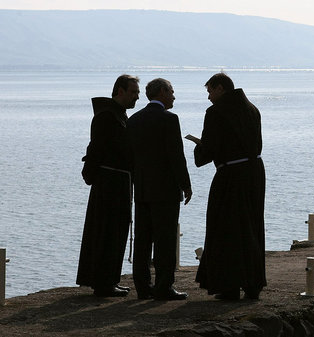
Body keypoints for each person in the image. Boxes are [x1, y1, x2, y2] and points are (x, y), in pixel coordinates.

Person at [190, 73, 266, 300]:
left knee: (225, 227)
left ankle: (229, 285)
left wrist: (198, 148)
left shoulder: (216, 112)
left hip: (230, 175)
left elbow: (210, 149)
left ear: (220, 88)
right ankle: (253, 284)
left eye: (210, 92)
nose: (209, 98)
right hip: (254, 173)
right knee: (251, 226)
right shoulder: (252, 109)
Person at [126, 78, 192, 300]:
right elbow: (176, 156)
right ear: (162, 92)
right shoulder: (169, 119)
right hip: (165, 189)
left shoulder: (134, 120)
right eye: (172, 91)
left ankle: (143, 287)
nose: (174, 96)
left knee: (143, 240)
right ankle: (164, 286)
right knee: (165, 240)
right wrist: (186, 185)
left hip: (142, 188)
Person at [76, 74, 140, 297]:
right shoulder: (106, 117)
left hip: (119, 180)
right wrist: (91, 175)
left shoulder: (118, 115)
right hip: (109, 182)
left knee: (117, 230)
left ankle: (109, 278)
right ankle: (103, 282)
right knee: (107, 231)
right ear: (120, 91)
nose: (137, 97)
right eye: (133, 92)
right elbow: (96, 149)